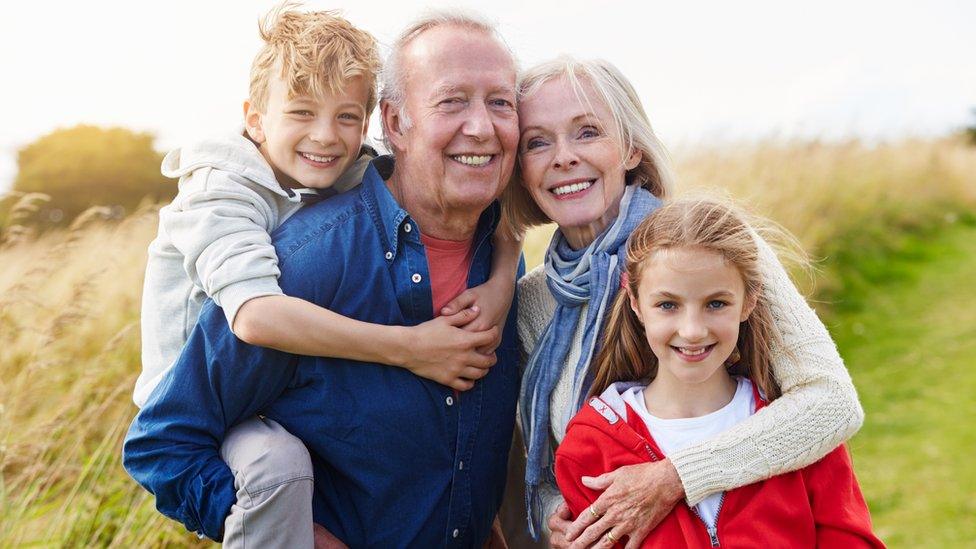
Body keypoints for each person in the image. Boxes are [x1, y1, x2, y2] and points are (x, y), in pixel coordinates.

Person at [124, 9, 521, 548]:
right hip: (203, 379)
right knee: (274, 464)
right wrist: (294, 535)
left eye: (500, 102)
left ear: (367, 125)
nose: (481, 125)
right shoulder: (282, 248)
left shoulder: (498, 258)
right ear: (398, 124)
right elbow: (165, 441)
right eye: (452, 101)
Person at [494, 57, 865, 547]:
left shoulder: (710, 251)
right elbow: (545, 461)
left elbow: (831, 405)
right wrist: (555, 517)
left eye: (587, 132)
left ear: (631, 149)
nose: (563, 157)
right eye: (538, 142)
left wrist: (674, 478)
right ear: (521, 168)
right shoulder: (532, 302)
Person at [554, 198, 884, 547]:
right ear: (635, 302)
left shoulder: (799, 430)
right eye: (668, 305)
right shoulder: (590, 446)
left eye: (716, 304)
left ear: (750, 300)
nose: (693, 330)